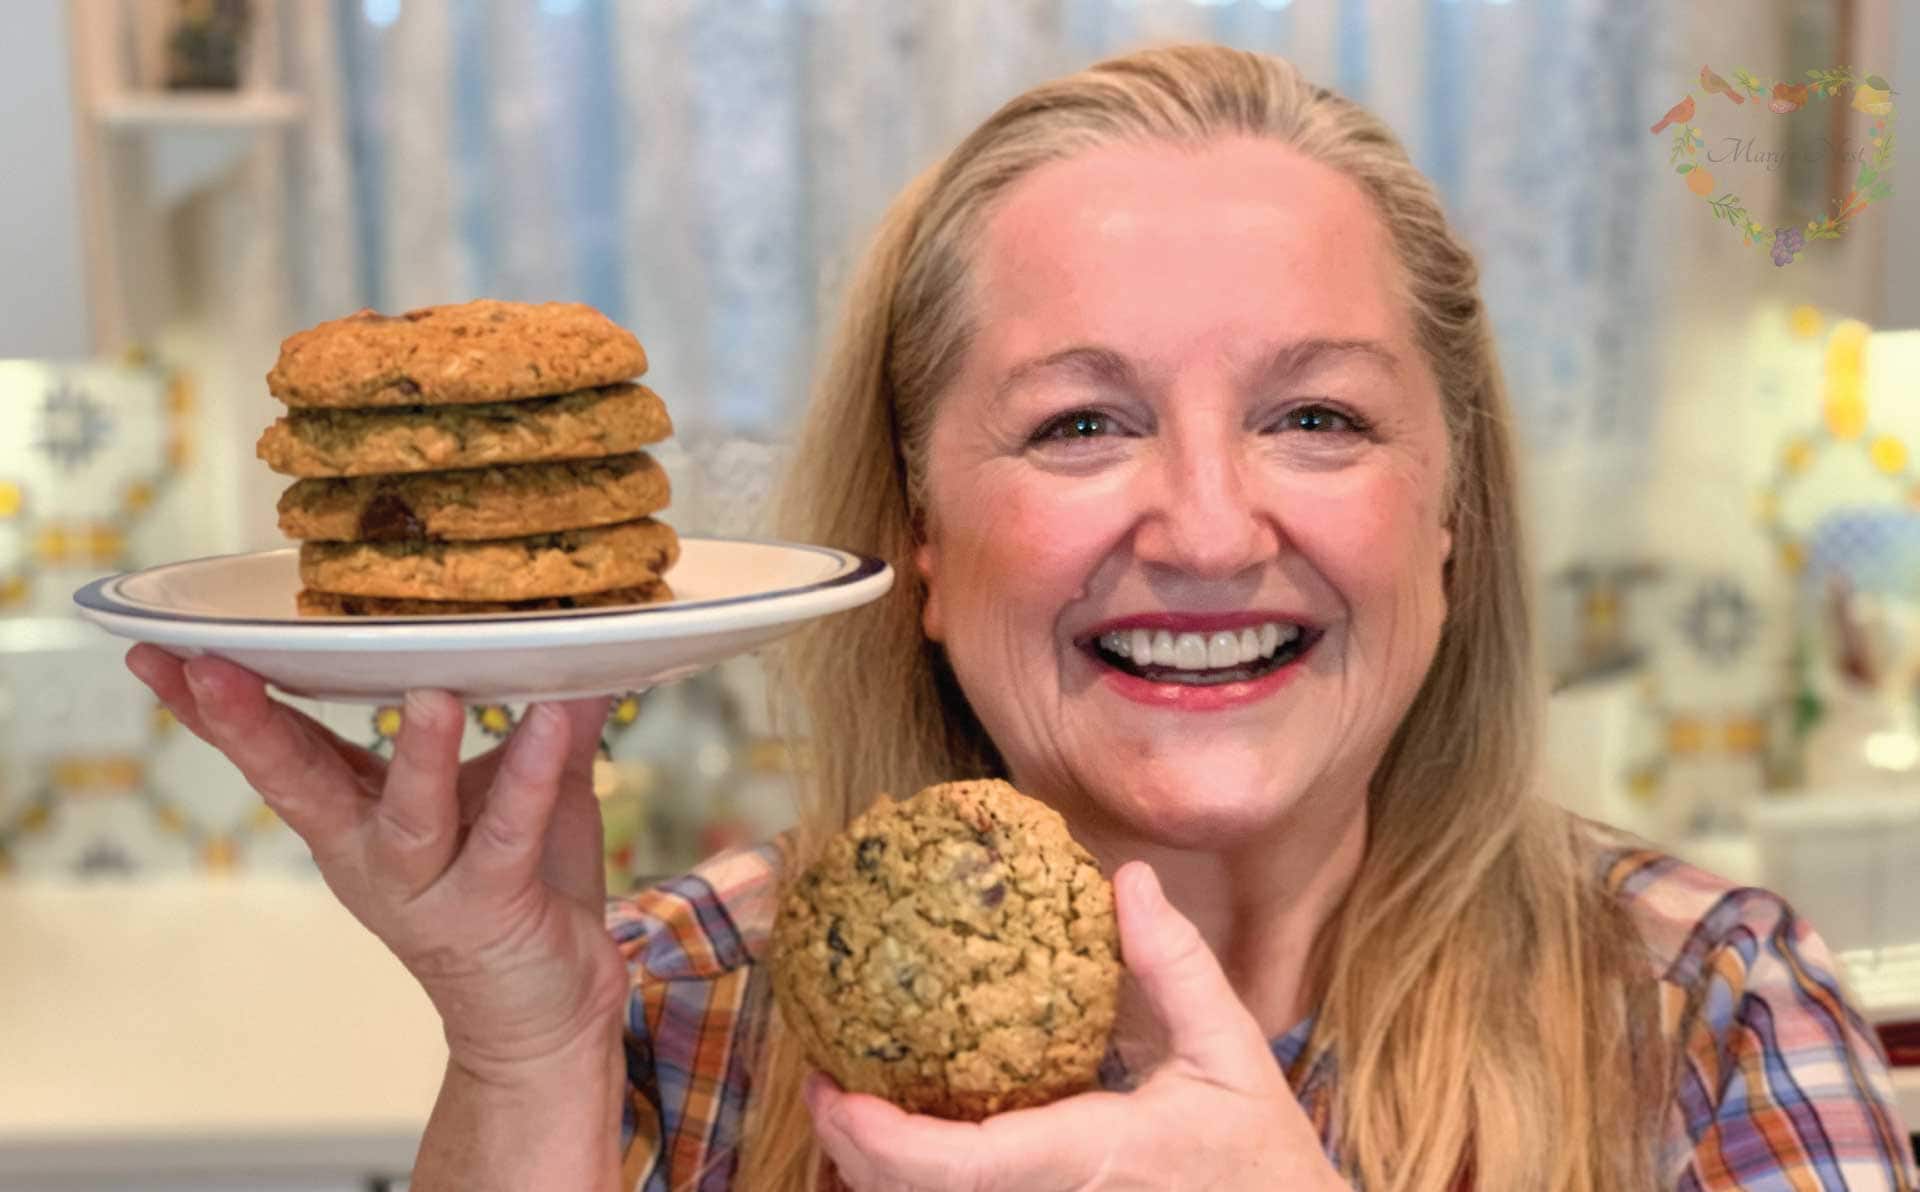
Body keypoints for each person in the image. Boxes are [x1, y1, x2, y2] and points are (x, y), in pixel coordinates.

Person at [126, 44, 1915, 1192]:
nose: (1210, 525)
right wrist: (521, 1051)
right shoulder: (669, 1012)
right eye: (1079, 422)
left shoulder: (1707, 1018)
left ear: (1454, 517)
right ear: (916, 529)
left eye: (1318, 416)